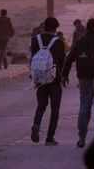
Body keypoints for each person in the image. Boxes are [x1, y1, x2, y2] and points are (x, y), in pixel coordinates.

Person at [61, 18, 94, 148]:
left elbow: (69, 59)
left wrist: (64, 75)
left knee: (84, 108)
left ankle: (82, 138)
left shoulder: (81, 41)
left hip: (84, 79)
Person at [30, 17, 65, 146]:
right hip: (54, 79)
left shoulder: (35, 40)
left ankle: (36, 124)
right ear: (55, 28)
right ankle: (50, 137)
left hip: (40, 79)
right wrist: (63, 77)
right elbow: (62, 61)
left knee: (41, 106)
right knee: (54, 109)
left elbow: (33, 57)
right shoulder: (58, 42)